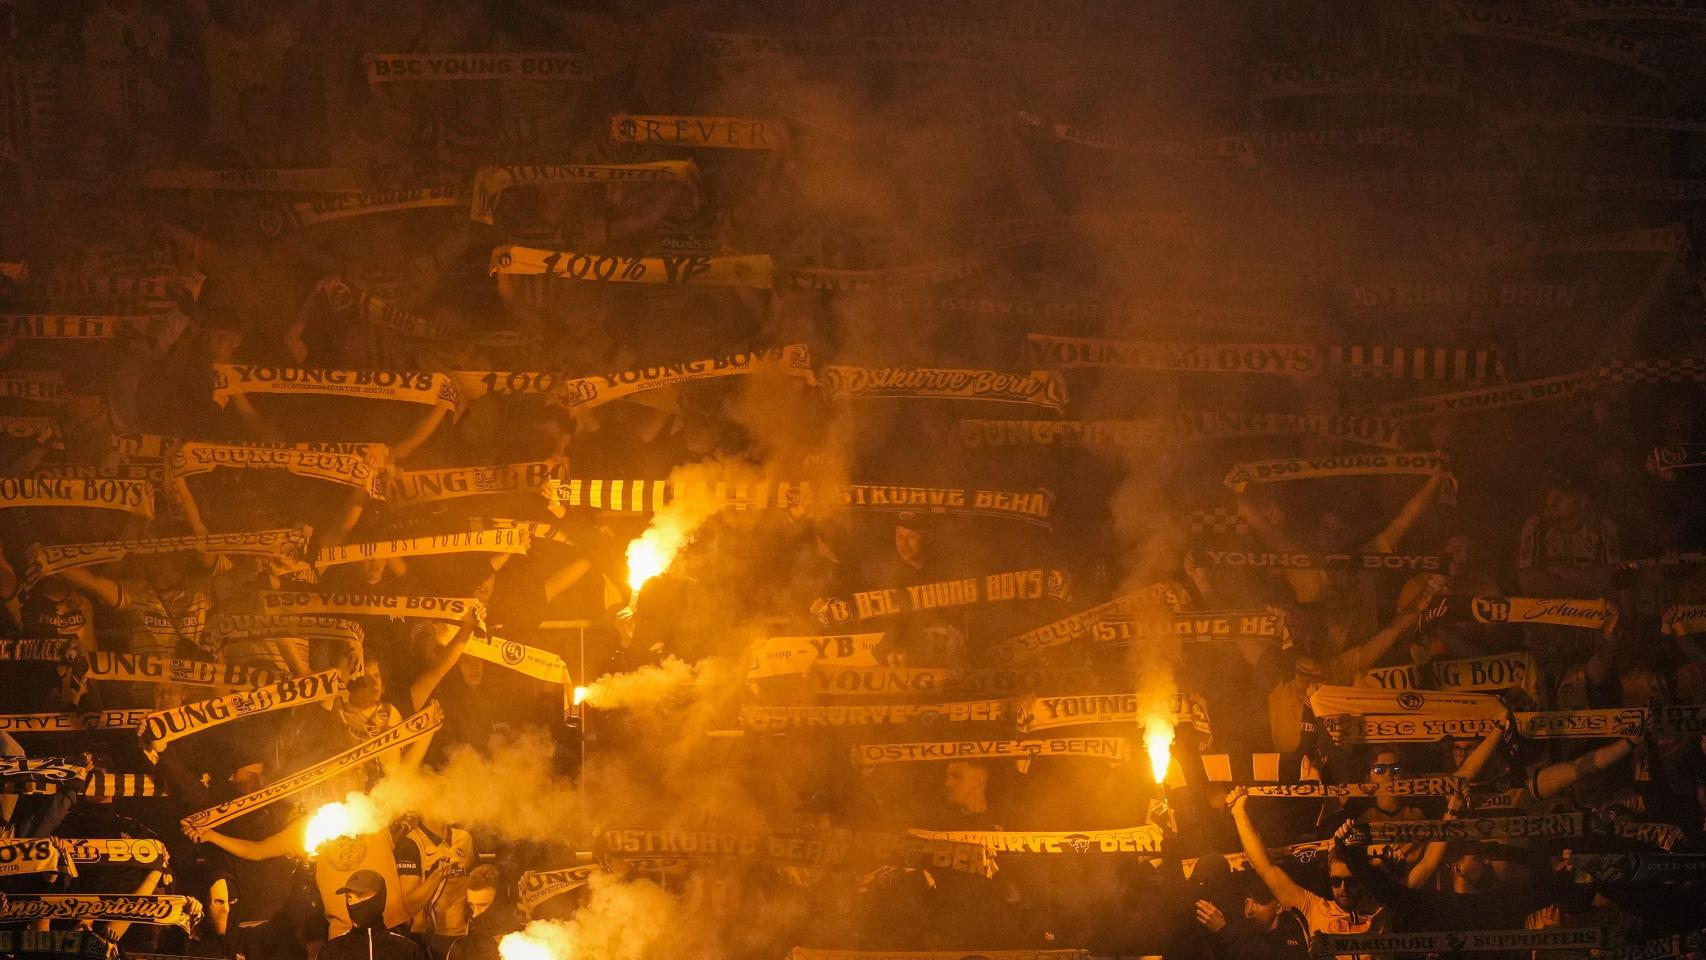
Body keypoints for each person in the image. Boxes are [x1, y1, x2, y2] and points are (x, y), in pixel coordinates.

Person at [320, 869, 425, 960]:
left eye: (360, 895)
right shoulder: (331, 951)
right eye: (349, 898)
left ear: (379, 897)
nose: (353, 903)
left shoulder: (407, 950)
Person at [1194, 881, 1309, 960]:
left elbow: (1265, 955)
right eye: (1247, 903)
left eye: (1258, 902)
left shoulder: (1292, 937)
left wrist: (1223, 931)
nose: (1249, 910)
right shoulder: (1247, 935)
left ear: (1278, 908)